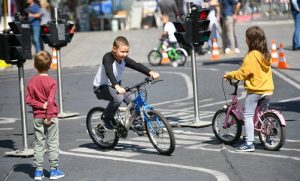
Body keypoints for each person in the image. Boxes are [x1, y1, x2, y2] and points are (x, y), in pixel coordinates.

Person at [223, 26, 274, 152]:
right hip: (268, 89)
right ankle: (269, 139)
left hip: (255, 90)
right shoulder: (265, 54)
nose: (245, 39)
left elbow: (242, 73)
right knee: (263, 114)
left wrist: (229, 75)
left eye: (246, 37)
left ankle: (249, 143)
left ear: (250, 40)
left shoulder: (251, 56)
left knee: (248, 115)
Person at [93, 36, 160, 131]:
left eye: (127, 52)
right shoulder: (107, 57)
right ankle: (106, 118)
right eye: (122, 52)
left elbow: (136, 65)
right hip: (101, 87)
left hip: (116, 86)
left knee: (133, 99)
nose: (125, 54)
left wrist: (150, 72)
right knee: (119, 97)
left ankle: (136, 122)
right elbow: (109, 72)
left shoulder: (123, 59)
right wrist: (117, 86)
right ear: (114, 49)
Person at [25, 51, 65, 180]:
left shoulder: (31, 82)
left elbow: (28, 100)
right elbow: (51, 101)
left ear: (35, 65)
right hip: (51, 116)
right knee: (53, 143)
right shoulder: (51, 82)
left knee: (39, 143)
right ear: (50, 65)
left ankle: (38, 171)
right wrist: (48, 115)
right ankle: (53, 170)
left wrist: (40, 106)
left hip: (37, 116)